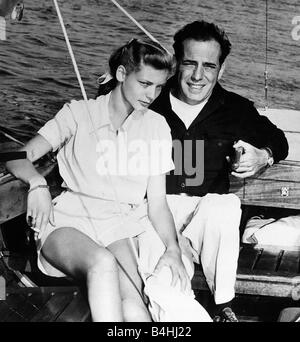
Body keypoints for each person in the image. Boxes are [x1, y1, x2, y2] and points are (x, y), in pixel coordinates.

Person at [5, 38, 192, 322]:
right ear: (120, 74)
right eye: (144, 83)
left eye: (158, 87)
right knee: (102, 263)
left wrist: (173, 249)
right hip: (67, 224)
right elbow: (15, 156)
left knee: (135, 306)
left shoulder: (156, 127)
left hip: (117, 227)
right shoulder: (78, 113)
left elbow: (157, 203)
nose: (151, 94)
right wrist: (37, 184)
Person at [150, 20, 289, 322]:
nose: (198, 76)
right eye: (190, 64)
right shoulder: (149, 103)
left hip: (205, 222)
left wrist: (262, 156)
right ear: (176, 63)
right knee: (166, 283)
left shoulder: (235, 109)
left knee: (226, 204)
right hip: (156, 217)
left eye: (209, 66)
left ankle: (223, 306)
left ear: (221, 69)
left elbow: (279, 141)